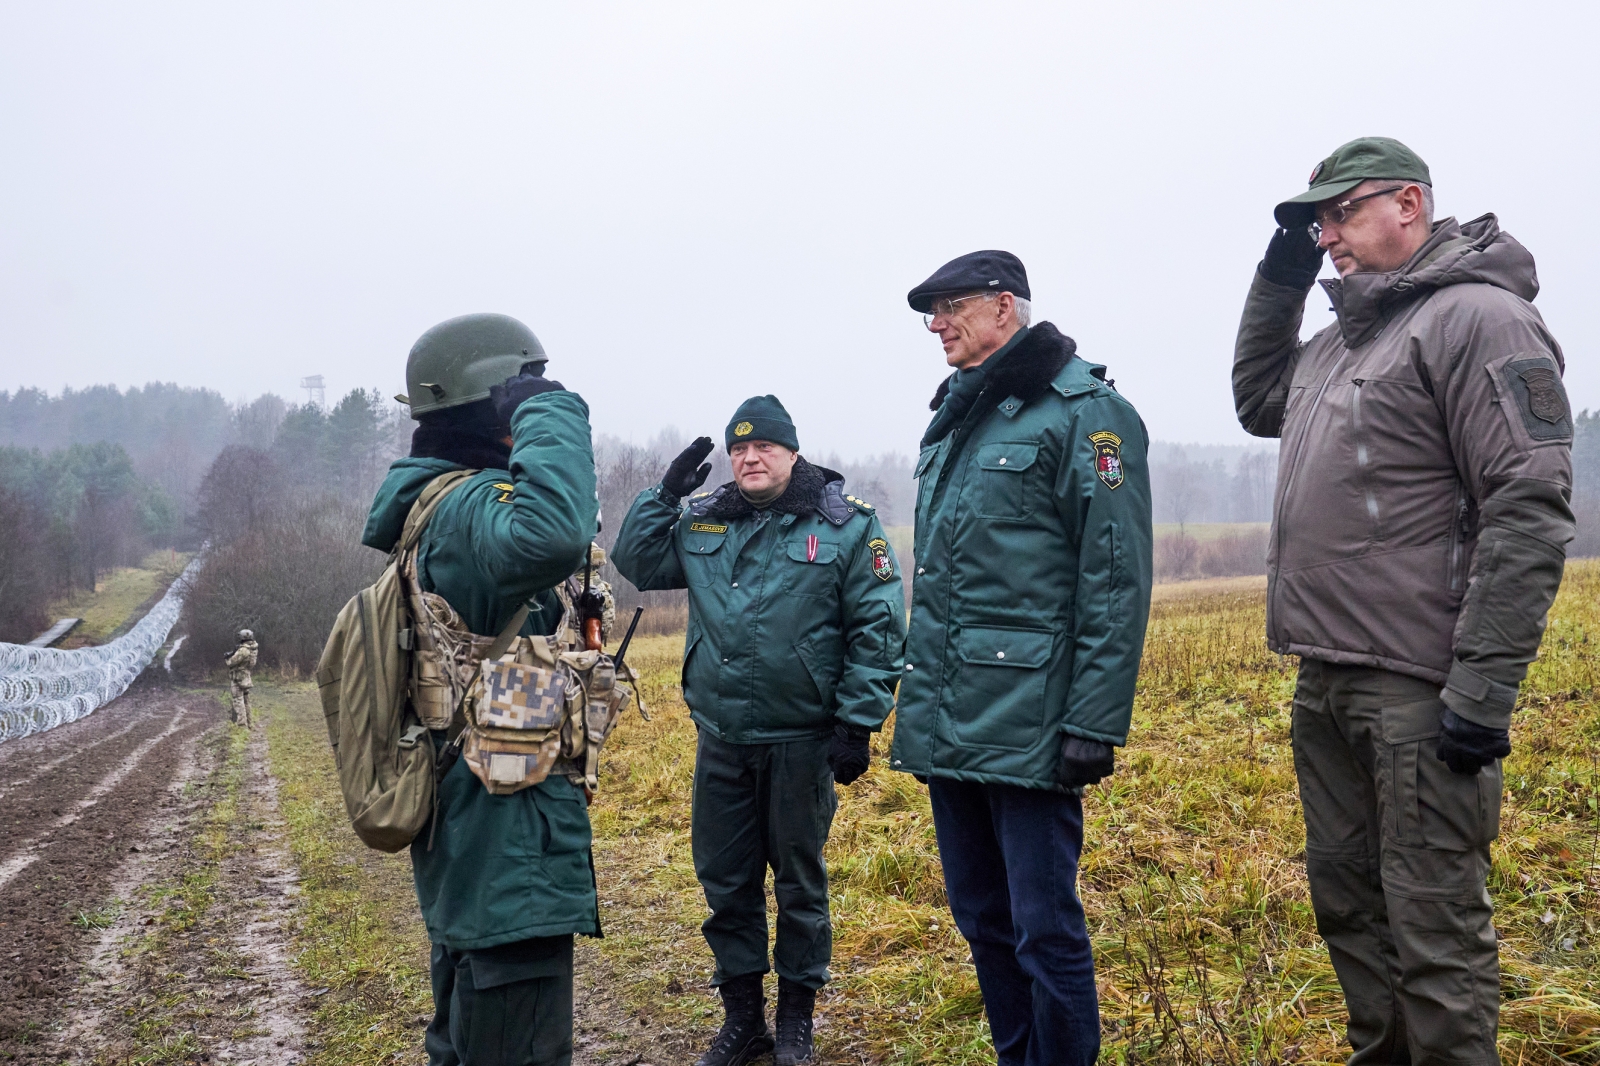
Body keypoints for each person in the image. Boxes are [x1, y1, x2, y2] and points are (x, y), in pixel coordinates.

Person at [1234, 137, 1574, 1063]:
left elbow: (1529, 508)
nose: (1326, 235)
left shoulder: (1477, 320)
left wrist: (1480, 692)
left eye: (1340, 214)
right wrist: (1280, 278)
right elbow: (1257, 397)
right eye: (1315, 223)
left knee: (1433, 934)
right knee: (1352, 911)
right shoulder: (1345, 341)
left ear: (1410, 206)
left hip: (1420, 690)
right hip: (1329, 678)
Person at [890, 250, 1153, 1065]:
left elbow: (1114, 579)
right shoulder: (962, 416)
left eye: (951, 308)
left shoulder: (1086, 414)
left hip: (1035, 724)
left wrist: (1094, 723)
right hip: (953, 716)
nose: (937, 325)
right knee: (982, 919)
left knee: (1045, 930)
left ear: (1005, 308)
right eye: (932, 312)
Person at [611, 397, 906, 1066]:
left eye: (763, 447)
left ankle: (796, 1021)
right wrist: (663, 493)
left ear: (792, 453)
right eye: (738, 449)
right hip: (722, 736)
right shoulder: (705, 523)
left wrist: (857, 723)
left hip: (800, 742)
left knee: (799, 883)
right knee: (726, 883)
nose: (749, 458)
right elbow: (636, 560)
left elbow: (879, 631)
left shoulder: (845, 528)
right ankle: (743, 1020)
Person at [363, 312, 599, 1066]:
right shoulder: (468, 508)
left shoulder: (446, 502)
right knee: (514, 1024)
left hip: (477, 812)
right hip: (504, 825)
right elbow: (554, 531)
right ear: (492, 408)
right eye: (518, 389)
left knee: (473, 1019)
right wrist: (550, 409)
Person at [225, 629, 258, 728]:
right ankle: (250, 723)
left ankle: (242, 725)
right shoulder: (253, 648)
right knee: (246, 701)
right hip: (246, 677)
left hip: (238, 678)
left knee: (238, 701)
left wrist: (227, 657)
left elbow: (231, 662)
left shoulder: (243, 650)